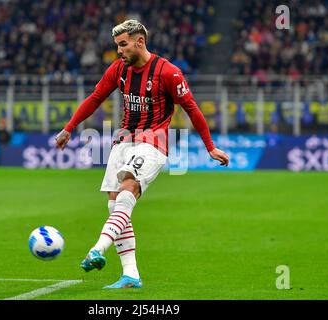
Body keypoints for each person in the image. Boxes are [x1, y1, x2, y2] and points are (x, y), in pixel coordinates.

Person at [55, 20, 229, 289]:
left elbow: (191, 108)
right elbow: (95, 98)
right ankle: (130, 275)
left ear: (140, 42)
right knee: (114, 205)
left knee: (127, 190)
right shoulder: (118, 69)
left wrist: (210, 146)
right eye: (117, 46)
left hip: (153, 141)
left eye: (123, 44)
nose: (119, 51)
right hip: (123, 140)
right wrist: (69, 128)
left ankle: (97, 249)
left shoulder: (168, 72)